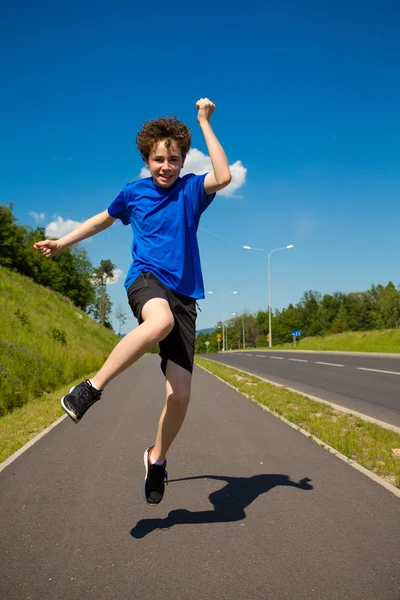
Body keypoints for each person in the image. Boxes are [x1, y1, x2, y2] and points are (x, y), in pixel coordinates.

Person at [33, 98, 232, 506]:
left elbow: (224, 176)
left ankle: (157, 459)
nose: (165, 166)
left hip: (185, 297)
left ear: (182, 160)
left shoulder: (192, 189)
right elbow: (100, 221)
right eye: (158, 159)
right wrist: (62, 243)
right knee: (158, 322)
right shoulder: (134, 193)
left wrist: (203, 123)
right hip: (145, 279)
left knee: (180, 396)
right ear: (147, 159)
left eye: (173, 159)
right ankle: (90, 389)